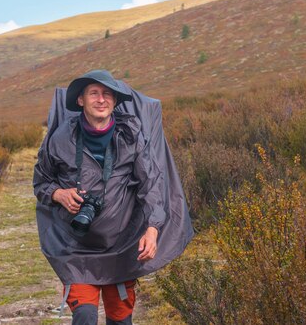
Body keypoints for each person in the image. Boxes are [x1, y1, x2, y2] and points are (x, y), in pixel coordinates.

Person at [33, 69, 193, 325]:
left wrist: (153, 228)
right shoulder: (60, 138)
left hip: (121, 246)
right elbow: (41, 180)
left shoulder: (131, 136)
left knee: (120, 321)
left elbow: (150, 185)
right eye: (94, 93)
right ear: (80, 100)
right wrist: (58, 193)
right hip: (74, 247)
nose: (101, 99)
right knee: (84, 316)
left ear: (115, 101)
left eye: (107, 94)